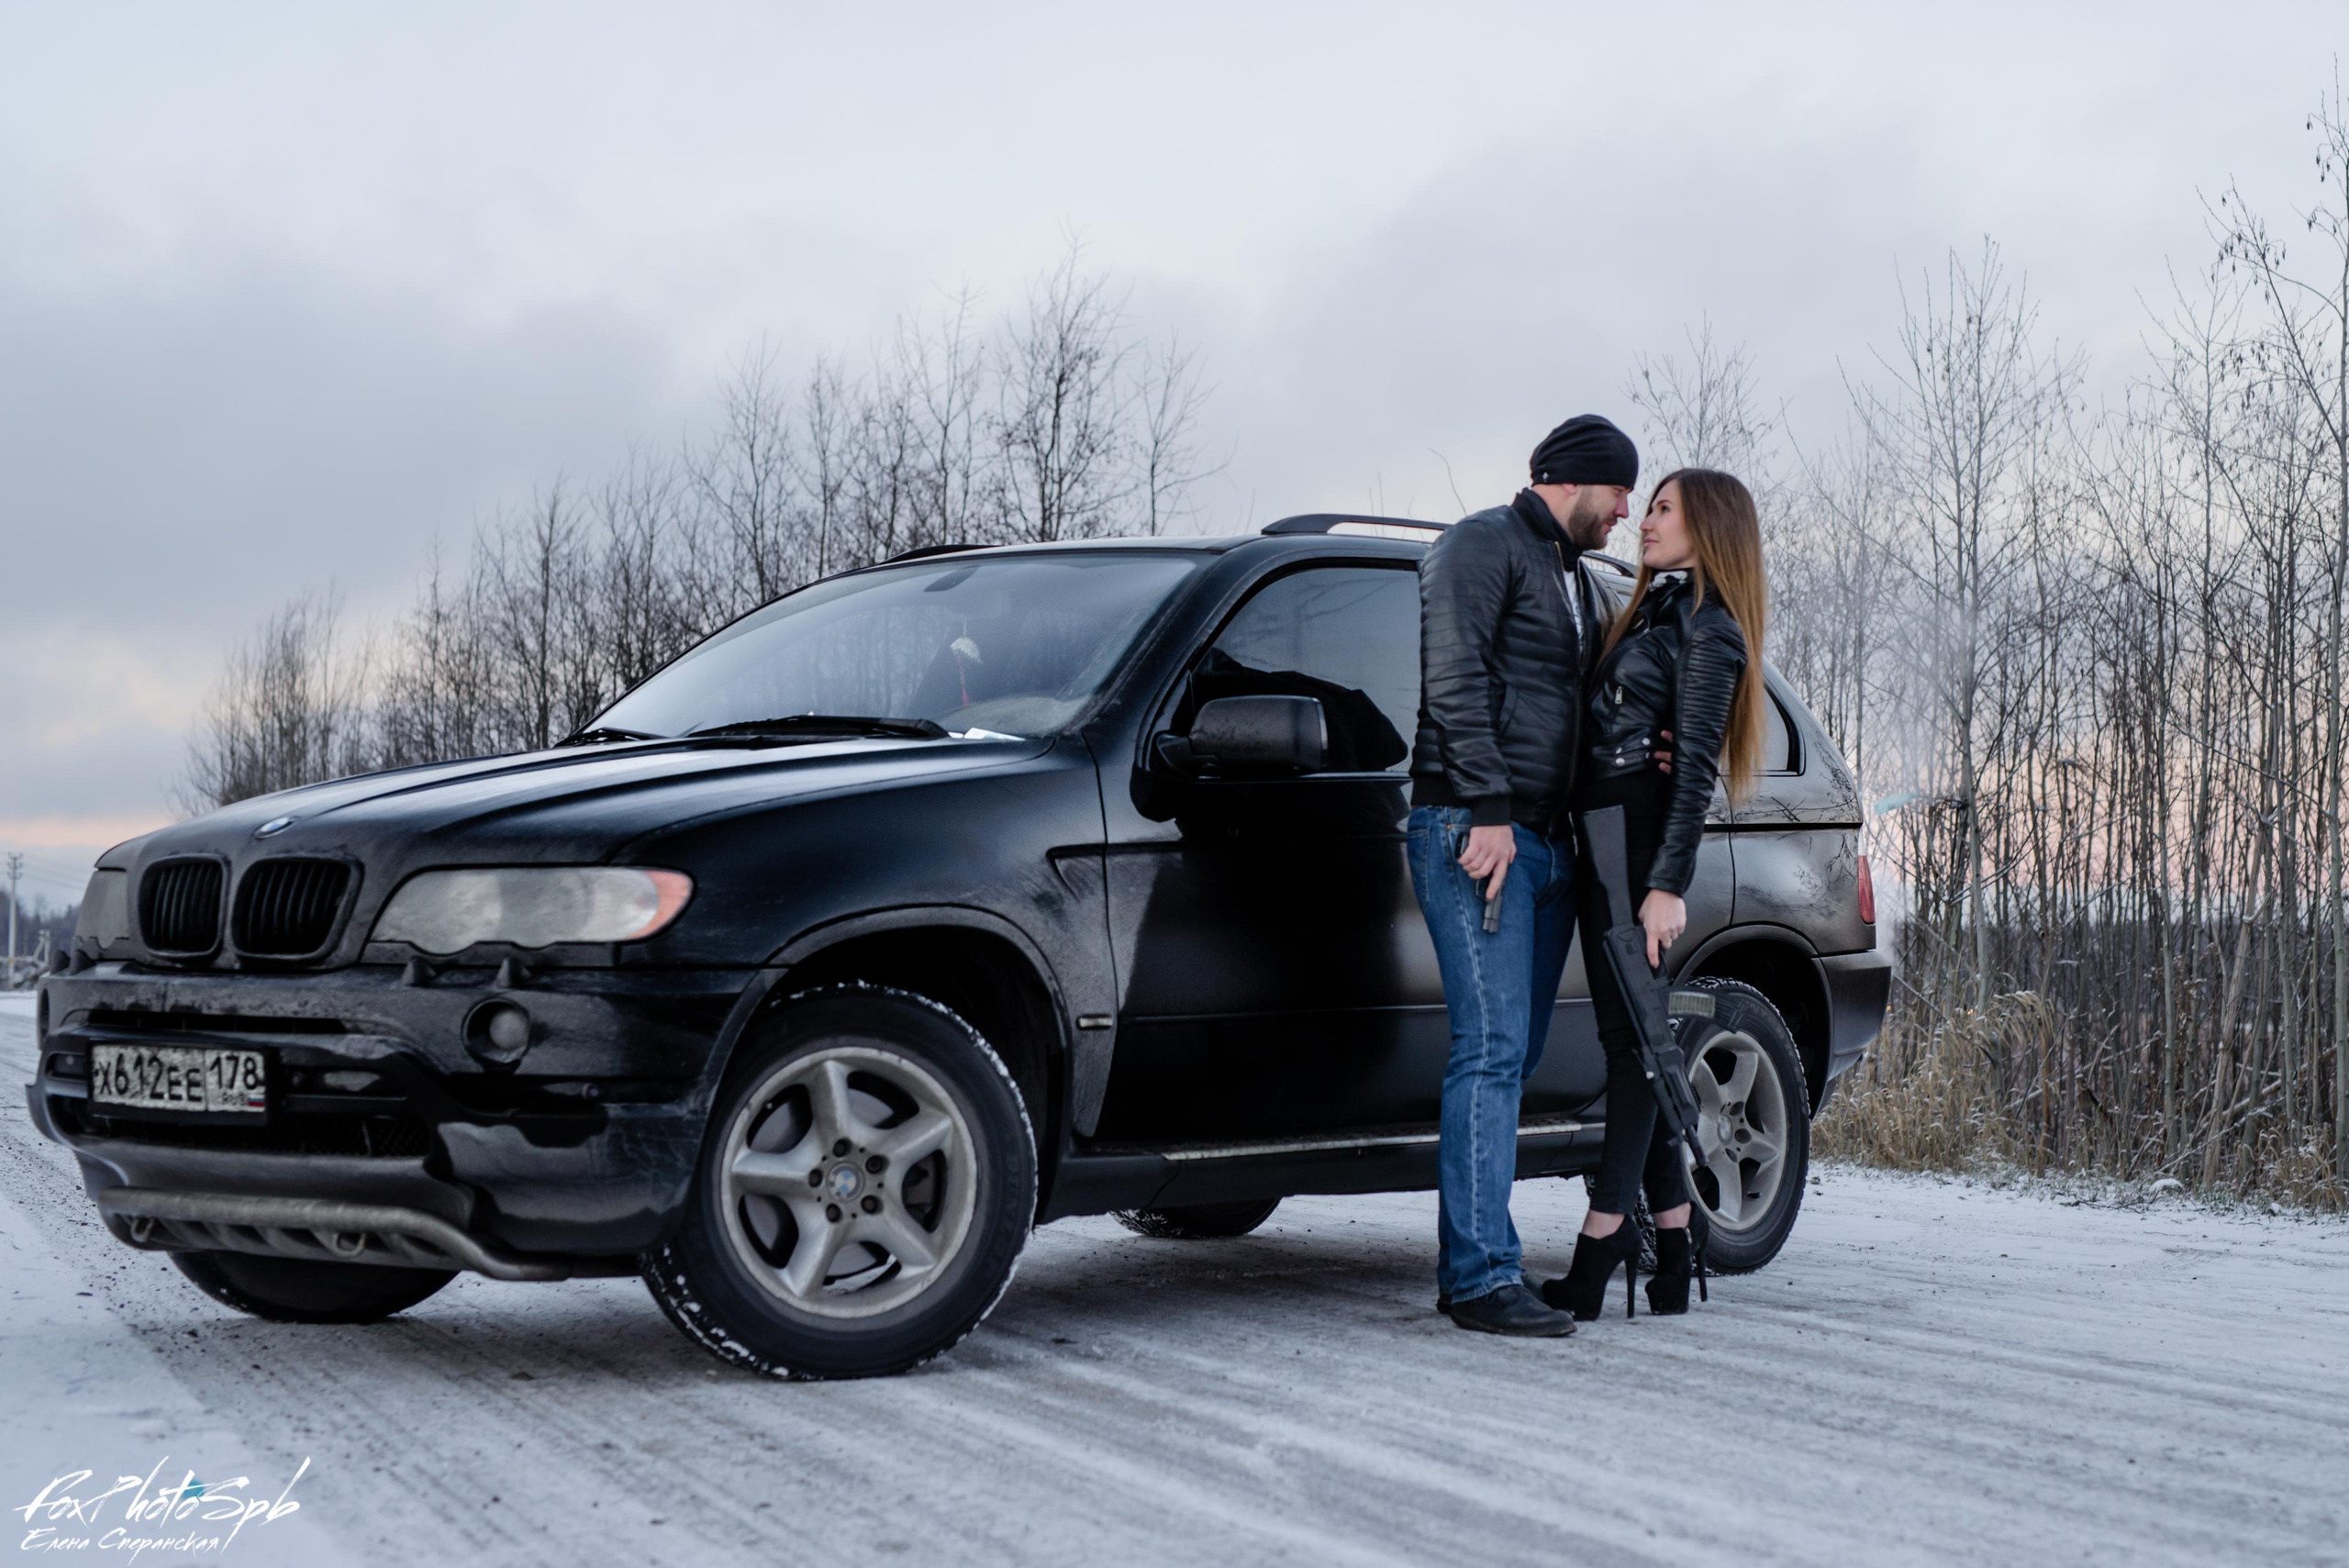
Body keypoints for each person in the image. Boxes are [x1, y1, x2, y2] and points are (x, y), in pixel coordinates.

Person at [1408, 414, 1635, 1336]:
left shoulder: (1575, 579)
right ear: (1573, 478)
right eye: (1617, 490)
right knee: (1491, 1048)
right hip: (1477, 828)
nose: (1624, 507)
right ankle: (1479, 1277)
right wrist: (1491, 809)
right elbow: (1454, 674)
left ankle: (1469, 1261)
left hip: (1544, 841)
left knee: (1514, 1051)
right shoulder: (1480, 544)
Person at [1543, 468, 1768, 1319]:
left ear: (1708, 525)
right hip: (1607, 833)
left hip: (1639, 847)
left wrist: (1666, 883)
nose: (1647, 520)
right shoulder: (1663, 610)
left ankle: (1603, 1242)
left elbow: (1697, 768)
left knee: (1634, 1045)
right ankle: (1673, 1249)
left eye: (1665, 508)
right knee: (1631, 1036)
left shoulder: (1713, 630)